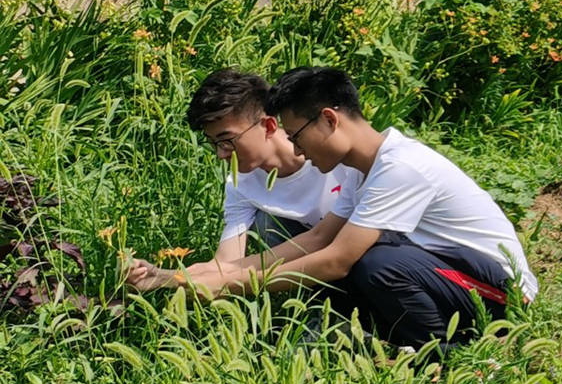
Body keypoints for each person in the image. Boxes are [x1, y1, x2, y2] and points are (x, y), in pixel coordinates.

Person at [151, 67, 536, 349]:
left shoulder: (401, 167)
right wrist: (192, 276)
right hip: (449, 279)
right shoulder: (358, 169)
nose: (297, 148)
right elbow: (318, 238)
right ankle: (396, 344)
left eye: (298, 135)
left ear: (330, 119)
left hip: (501, 294)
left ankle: (444, 356)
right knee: (369, 261)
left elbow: (336, 260)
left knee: (374, 261)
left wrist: (231, 284)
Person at [124, 69, 357, 292]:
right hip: (309, 265)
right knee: (269, 224)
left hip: (364, 250)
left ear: (268, 125)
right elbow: (226, 263)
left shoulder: (329, 153)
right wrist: (160, 276)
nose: (221, 154)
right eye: (214, 143)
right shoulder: (240, 183)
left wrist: (229, 284)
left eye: (227, 140)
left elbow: (325, 241)